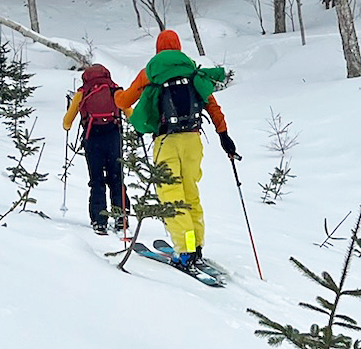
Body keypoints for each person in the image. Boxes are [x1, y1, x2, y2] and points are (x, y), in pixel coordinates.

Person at [114, 29, 239, 264]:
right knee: (191, 193)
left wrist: (118, 94)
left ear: (158, 49)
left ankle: (185, 249)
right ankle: (197, 245)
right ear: (179, 47)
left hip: (166, 141)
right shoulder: (193, 72)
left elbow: (124, 101)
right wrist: (224, 136)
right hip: (193, 140)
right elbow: (212, 106)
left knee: (172, 196)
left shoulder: (150, 72)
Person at [62, 63, 127, 236]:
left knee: (96, 180)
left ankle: (99, 220)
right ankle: (121, 217)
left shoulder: (82, 93)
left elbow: (67, 123)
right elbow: (130, 113)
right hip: (113, 137)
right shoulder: (115, 90)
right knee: (116, 177)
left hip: (93, 138)